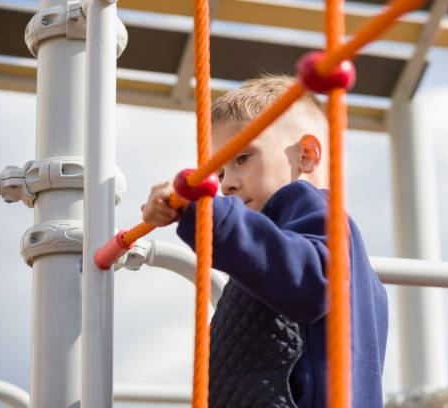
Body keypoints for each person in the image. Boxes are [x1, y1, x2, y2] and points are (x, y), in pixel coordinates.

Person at [142, 74, 388, 407]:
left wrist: (202, 211)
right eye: (220, 173)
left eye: (242, 158)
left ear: (307, 155)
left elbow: (312, 282)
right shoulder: (279, 239)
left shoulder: (307, 203)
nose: (226, 184)